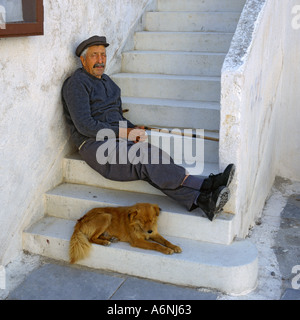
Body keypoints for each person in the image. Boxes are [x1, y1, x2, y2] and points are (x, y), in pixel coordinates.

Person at [61, 35, 235, 221]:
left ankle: (201, 201)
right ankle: (205, 184)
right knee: (144, 155)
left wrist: (132, 129)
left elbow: (116, 117)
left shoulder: (108, 83)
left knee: (150, 162)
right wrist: (123, 132)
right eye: (94, 55)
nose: (100, 60)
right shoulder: (76, 84)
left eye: (103, 55)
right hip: (94, 145)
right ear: (83, 59)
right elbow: (85, 126)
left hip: (115, 139)